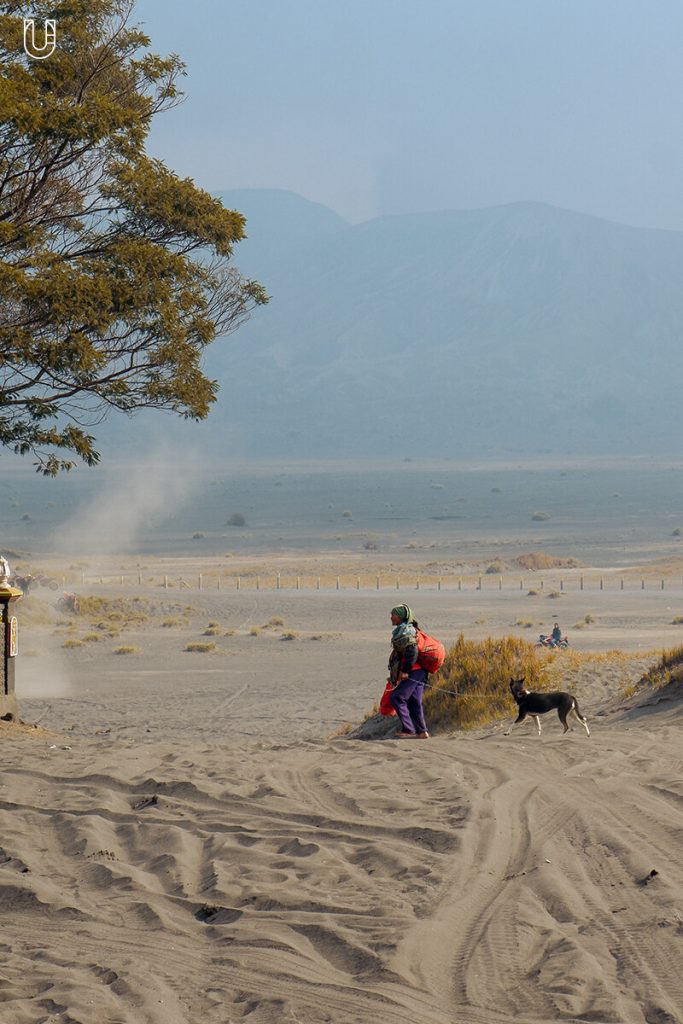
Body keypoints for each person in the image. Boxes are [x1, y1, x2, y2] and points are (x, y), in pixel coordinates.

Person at [388, 604, 429, 739]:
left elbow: (412, 651)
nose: (391, 617)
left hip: (414, 672)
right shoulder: (408, 630)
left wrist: (405, 671)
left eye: (393, 615)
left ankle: (408, 729)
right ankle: (422, 732)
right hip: (420, 672)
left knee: (397, 697)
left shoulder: (407, 631)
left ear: (399, 616)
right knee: (414, 702)